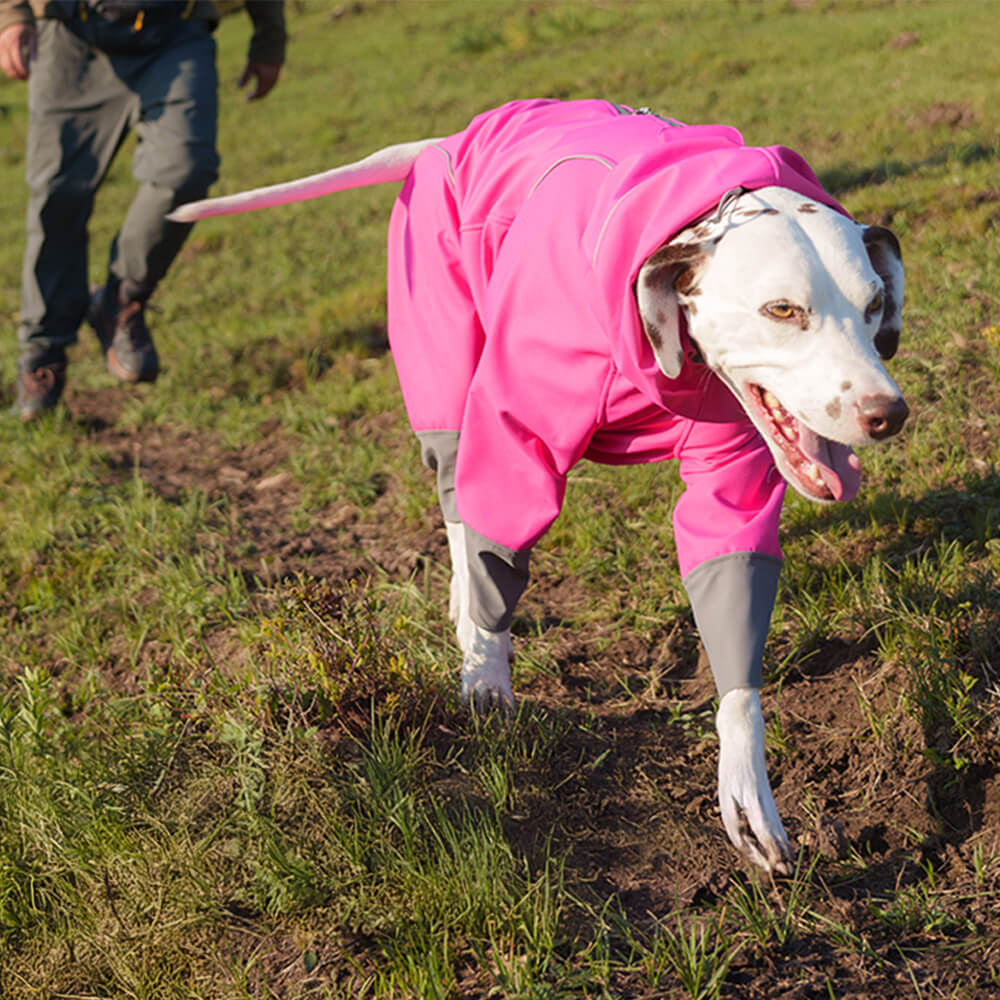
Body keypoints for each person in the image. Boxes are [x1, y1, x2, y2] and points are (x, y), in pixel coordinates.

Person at [0, 0, 286, 420]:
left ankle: (121, 298)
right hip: (71, 35)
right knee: (56, 199)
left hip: (175, 31)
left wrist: (270, 36)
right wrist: (11, 14)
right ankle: (43, 353)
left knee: (186, 170)